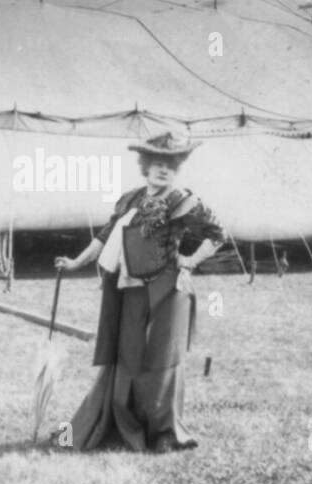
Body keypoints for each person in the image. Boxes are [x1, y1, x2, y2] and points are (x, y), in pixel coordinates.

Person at [52, 131, 225, 453]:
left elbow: (218, 235)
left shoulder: (183, 201)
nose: (163, 171)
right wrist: (75, 262)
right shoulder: (130, 199)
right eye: (157, 164)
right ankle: (120, 422)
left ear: (177, 169)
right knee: (128, 356)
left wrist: (189, 262)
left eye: (170, 166)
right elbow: (104, 237)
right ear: (146, 166)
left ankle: (161, 432)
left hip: (167, 290)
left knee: (161, 360)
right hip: (129, 289)